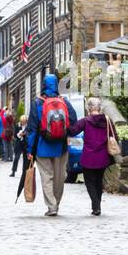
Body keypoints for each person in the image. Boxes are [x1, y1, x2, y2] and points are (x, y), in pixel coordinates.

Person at [26, 72, 78, 217]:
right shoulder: (64, 102)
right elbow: (73, 121)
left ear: (43, 85)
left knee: (46, 177)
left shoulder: (37, 103)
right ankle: (57, 203)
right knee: (60, 177)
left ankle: (51, 206)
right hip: (61, 147)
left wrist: (30, 149)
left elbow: (32, 129)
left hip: (42, 148)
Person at [70, 97, 112, 216]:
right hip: (103, 156)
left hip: (88, 156)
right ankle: (97, 204)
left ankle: (96, 206)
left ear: (88, 108)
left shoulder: (85, 121)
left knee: (90, 182)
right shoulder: (107, 120)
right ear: (99, 108)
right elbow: (114, 136)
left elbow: (72, 131)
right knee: (98, 181)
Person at [10, 104, 28, 177]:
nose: (24, 123)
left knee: (25, 159)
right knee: (16, 157)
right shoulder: (18, 126)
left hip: (25, 144)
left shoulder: (28, 126)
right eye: (22, 122)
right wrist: (19, 134)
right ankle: (13, 171)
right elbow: (15, 135)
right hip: (19, 143)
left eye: (25, 122)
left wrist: (25, 134)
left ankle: (25, 171)